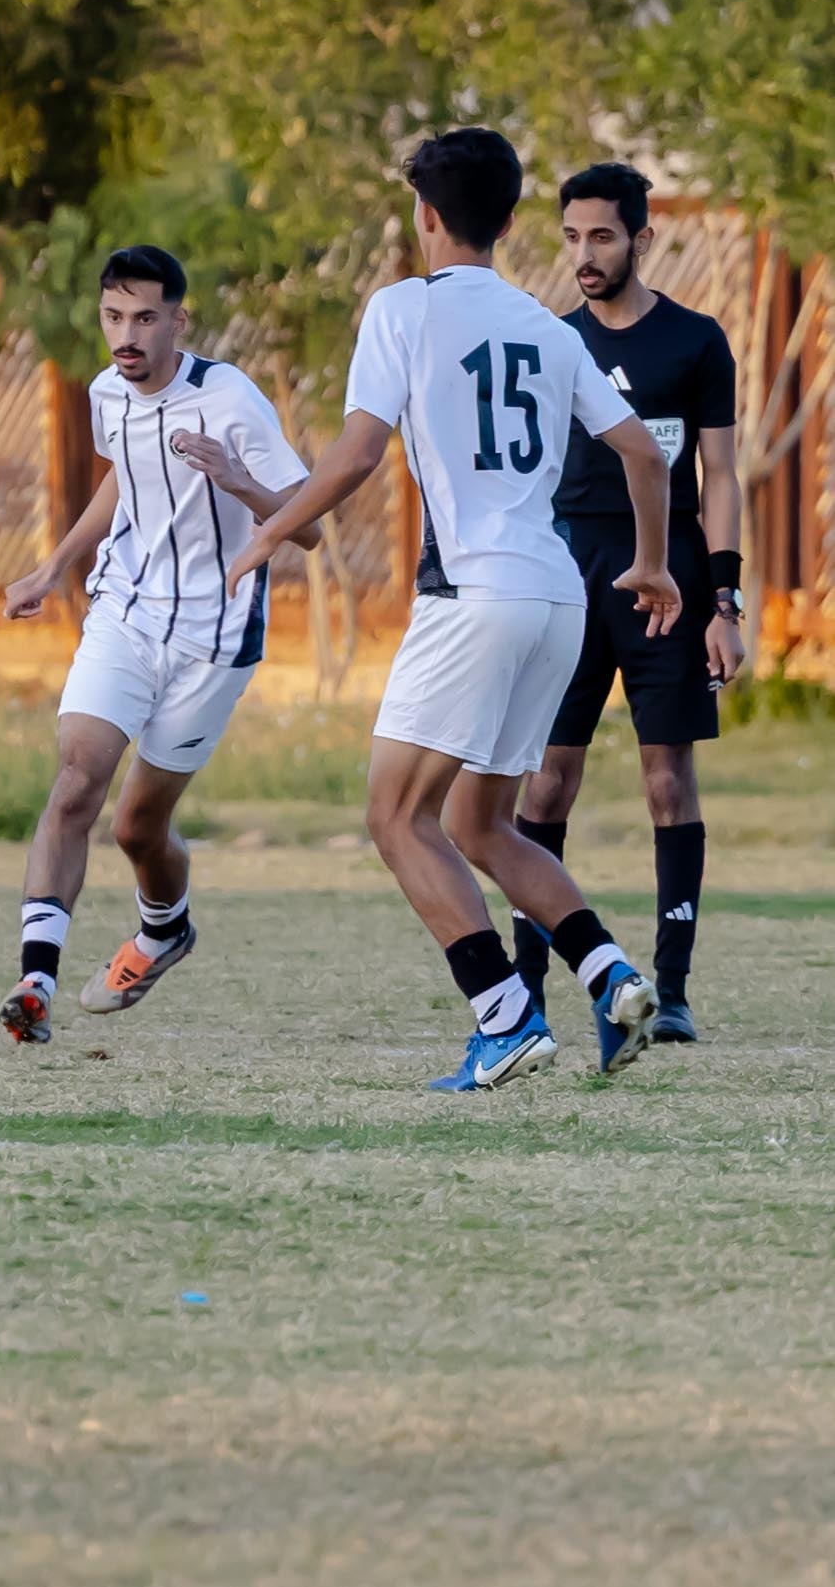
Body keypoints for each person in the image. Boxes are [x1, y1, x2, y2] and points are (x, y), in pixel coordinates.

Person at [227, 127, 682, 1090]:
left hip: (472, 593)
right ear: (512, 221)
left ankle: (500, 1013)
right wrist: (651, 564)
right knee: (480, 825)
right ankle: (611, 976)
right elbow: (644, 452)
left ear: (424, 217)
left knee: (394, 816)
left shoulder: (400, 311)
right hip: (555, 595)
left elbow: (353, 457)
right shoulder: (551, 328)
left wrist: (268, 534)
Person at [0, 245, 320, 1045]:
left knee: (137, 827)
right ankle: (36, 978)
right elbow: (122, 480)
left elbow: (307, 524)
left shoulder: (230, 399)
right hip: (127, 613)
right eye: (113, 317)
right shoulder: (108, 389)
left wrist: (236, 479)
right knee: (76, 780)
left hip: (214, 639)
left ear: (180, 318)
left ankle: (163, 928)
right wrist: (54, 565)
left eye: (144, 318)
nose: (126, 335)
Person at [510, 163, 744, 1043]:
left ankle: (672, 991)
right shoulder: (548, 341)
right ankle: (525, 997)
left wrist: (724, 598)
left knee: (663, 780)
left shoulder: (695, 342)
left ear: (640, 239)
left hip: (669, 580)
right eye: (570, 237)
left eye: (601, 236)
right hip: (567, 574)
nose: (583, 254)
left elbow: (717, 474)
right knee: (545, 781)